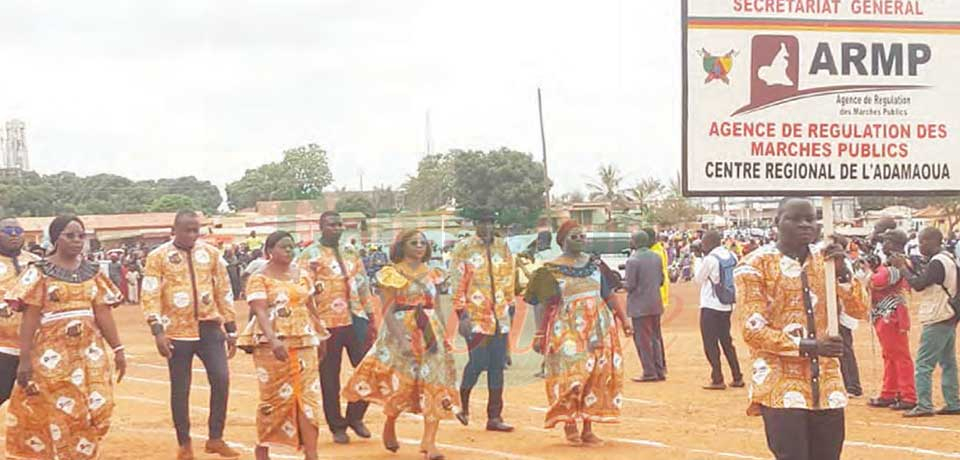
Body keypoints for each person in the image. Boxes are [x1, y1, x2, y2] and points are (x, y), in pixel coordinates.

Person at [735, 198, 868, 460]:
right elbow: (753, 330)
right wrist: (810, 347)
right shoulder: (754, 265)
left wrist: (843, 275)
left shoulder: (829, 261)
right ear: (776, 222)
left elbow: (860, 310)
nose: (805, 225)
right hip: (781, 384)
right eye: (795, 219)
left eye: (810, 218)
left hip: (827, 386)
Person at [5, 215, 127, 459]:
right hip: (52, 356)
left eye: (81, 236)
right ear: (55, 238)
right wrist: (25, 359)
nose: (76, 241)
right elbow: (29, 319)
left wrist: (118, 349)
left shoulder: (93, 272)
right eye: (69, 235)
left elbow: (102, 313)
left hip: (90, 354)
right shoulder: (39, 272)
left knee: (97, 408)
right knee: (61, 411)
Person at [343, 230, 460, 460]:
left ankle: (429, 443)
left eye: (422, 243)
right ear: (402, 246)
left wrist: (443, 335)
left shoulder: (434, 273)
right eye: (414, 243)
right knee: (403, 385)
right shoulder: (391, 273)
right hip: (401, 329)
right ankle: (390, 421)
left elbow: (436, 307)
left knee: (434, 383)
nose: (419, 246)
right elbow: (387, 309)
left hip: (429, 331)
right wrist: (400, 338)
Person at [141, 210, 240, 460]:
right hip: (176, 330)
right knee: (180, 388)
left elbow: (224, 290)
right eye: (187, 229)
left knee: (221, 379)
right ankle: (184, 443)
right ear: (174, 230)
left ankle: (215, 437)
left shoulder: (212, 254)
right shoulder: (158, 257)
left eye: (196, 229)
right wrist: (157, 330)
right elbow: (150, 293)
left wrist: (230, 329)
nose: (192, 235)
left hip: (209, 327)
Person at [525, 220, 630, 445]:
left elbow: (608, 295)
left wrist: (624, 319)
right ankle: (569, 424)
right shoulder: (550, 270)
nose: (581, 239)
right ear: (563, 241)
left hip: (599, 328)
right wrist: (540, 333)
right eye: (575, 236)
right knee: (573, 376)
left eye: (583, 236)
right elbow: (544, 304)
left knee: (594, 376)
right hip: (567, 329)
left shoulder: (595, 265)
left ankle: (587, 428)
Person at [238, 231, 330, 460]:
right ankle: (262, 447)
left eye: (291, 247)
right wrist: (273, 339)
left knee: (307, 397)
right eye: (283, 247)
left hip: (304, 340)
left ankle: (312, 453)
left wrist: (321, 336)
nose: (289, 251)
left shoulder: (303, 276)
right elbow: (259, 309)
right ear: (270, 251)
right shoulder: (259, 278)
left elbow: (311, 307)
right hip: (272, 345)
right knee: (275, 398)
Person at [296, 211, 378, 444]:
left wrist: (371, 317)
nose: (337, 228)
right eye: (332, 225)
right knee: (329, 378)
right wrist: (313, 325)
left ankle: (355, 415)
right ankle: (337, 425)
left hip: (356, 319)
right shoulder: (308, 255)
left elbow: (363, 285)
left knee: (368, 370)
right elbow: (304, 292)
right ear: (321, 227)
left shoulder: (351, 251)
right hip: (326, 324)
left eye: (340, 224)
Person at [448, 210, 515, 432]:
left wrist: (508, 309)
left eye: (490, 222)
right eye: (482, 222)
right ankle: (463, 405)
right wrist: (461, 314)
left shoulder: (502, 247)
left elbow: (508, 277)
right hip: (475, 316)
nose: (486, 226)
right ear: (475, 224)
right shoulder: (464, 248)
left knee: (497, 366)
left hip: (500, 316)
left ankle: (494, 416)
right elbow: (457, 281)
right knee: (477, 362)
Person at [890, 227, 960, 417]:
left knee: (923, 364)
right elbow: (925, 278)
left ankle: (924, 405)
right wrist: (908, 266)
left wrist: (902, 268)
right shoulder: (947, 259)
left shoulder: (937, 262)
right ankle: (953, 402)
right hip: (949, 314)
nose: (920, 246)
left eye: (923, 241)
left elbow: (919, 284)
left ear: (933, 241)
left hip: (937, 315)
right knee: (948, 362)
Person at [866, 230, 916, 410]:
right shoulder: (893, 262)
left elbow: (879, 281)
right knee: (890, 354)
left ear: (894, 243)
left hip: (891, 313)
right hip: (885, 312)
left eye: (886, 241)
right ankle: (890, 391)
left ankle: (908, 395)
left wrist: (871, 271)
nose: (883, 244)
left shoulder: (898, 263)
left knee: (899, 355)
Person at [693, 230, 743, 390]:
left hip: (710, 305)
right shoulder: (732, 256)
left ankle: (717, 378)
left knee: (710, 343)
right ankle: (737, 376)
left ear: (708, 243)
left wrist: (697, 260)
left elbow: (698, 279)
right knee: (727, 341)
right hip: (727, 304)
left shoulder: (709, 260)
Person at [0, 217, 40, 406]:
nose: (14, 234)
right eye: (8, 230)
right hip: (2, 347)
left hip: (35, 346)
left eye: (18, 230)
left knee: (35, 401)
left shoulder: (37, 263)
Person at [625, 231, 666, 382]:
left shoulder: (632, 260)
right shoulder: (656, 257)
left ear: (635, 242)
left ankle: (649, 371)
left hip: (639, 305)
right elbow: (661, 280)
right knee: (655, 337)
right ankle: (659, 370)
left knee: (643, 339)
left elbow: (630, 285)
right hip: (655, 302)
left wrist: (619, 284)